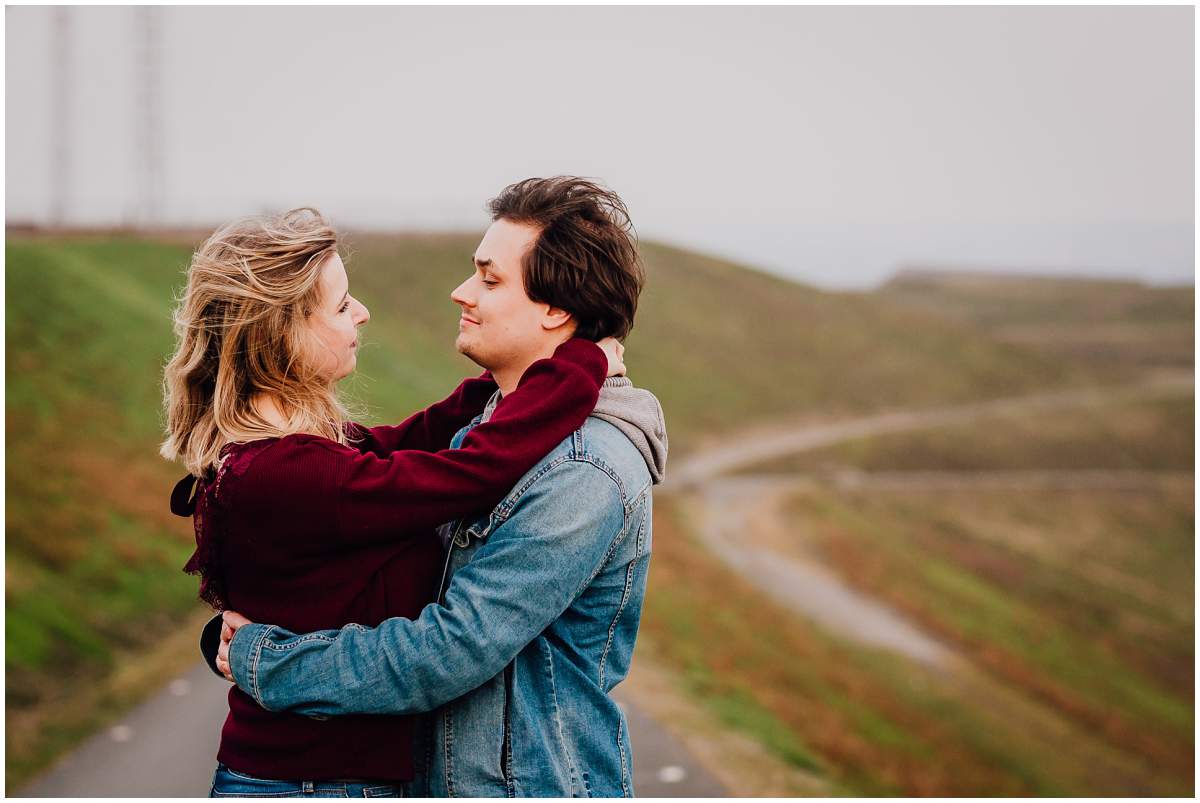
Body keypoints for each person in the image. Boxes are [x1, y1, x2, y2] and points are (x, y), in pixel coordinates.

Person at [214, 178, 668, 797]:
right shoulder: (496, 425)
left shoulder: (582, 468)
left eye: (488, 278)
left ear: (555, 309)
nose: (461, 292)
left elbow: (449, 650)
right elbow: (377, 480)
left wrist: (264, 659)